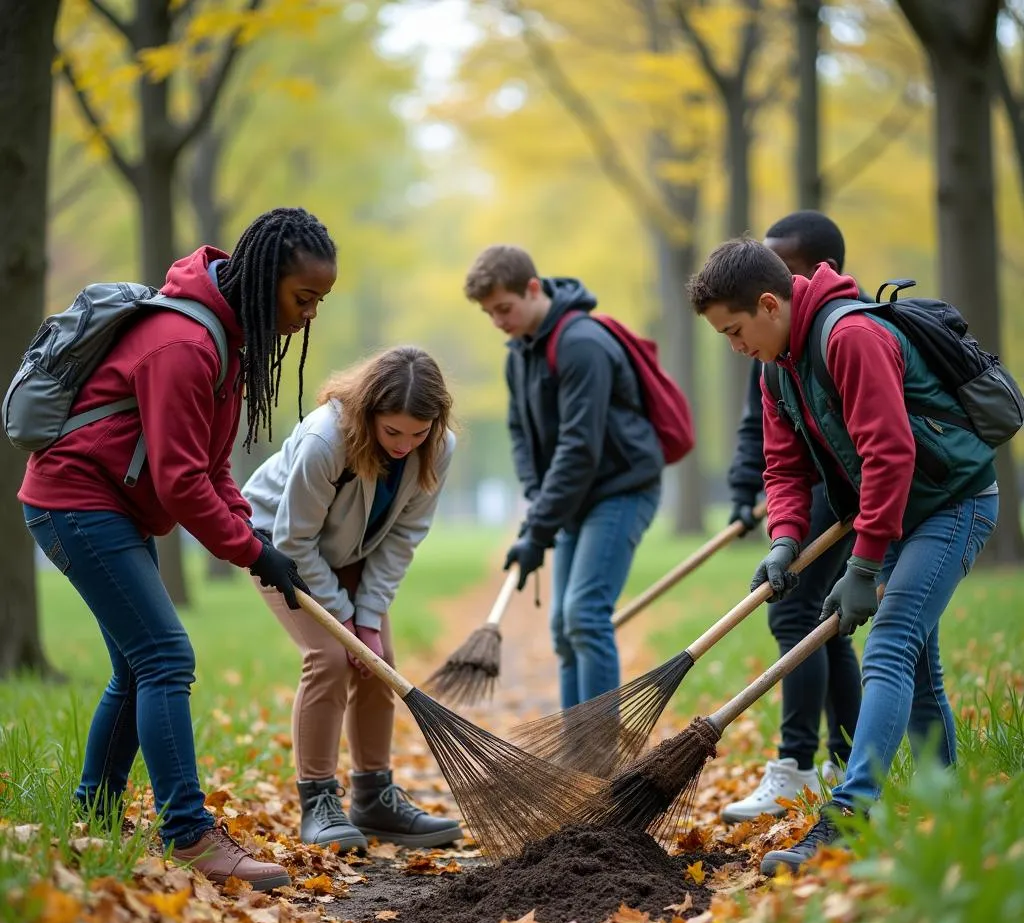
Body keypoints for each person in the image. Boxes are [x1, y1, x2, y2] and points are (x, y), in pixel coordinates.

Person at [20, 207, 337, 890]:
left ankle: (94, 814)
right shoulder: (184, 344)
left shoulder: (227, 340)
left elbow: (212, 467)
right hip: (75, 502)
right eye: (303, 298)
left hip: (109, 506)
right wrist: (248, 554)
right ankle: (189, 835)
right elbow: (178, 479)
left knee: (138, 668)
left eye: (319, 301)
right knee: (165, 657)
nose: (310, 315)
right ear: (262, 279)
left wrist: (252, 534)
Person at [688, 237, 997, 875]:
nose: (735, 345)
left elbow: (890, 456)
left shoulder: (849, 337)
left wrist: (863, 565)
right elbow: (783, 466)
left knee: (888, 645)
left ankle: (848, 819)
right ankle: (951, 812)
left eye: (735, 330)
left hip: (951, 502)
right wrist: (784, 540)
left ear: (770, 304)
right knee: (916, 668)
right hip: (900, 511)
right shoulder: (775, 365)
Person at [243, 346, 463, 850]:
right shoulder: (327, 440)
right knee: (329, 658)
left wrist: (367, 619)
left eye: (418, 432)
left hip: (352, 550)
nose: (405, 444)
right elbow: (295, 539)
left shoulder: (438, 447)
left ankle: (374, 798)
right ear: (368, 416)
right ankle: (318, 800)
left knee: (377, 660)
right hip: (277, 546)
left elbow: (403, 537)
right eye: (393, 433)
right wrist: (345, 620)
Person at [464, 245, 662, 711]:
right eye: (489, 313)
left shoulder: (582, 344)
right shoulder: (520, 353)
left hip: (621, 488)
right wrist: (536, 501)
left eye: (504, 309)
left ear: (533, 289)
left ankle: (598, 760)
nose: (498, 321)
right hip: (577, 496)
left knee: (585, 615)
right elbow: (521, 432)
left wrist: (538, 531)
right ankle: (577, 753)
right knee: (562, 624)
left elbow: (580, 447)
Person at [722, 212, 863, 823]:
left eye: (786, 270)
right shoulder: (769, 351)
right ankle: (839, 758)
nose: (773, 282)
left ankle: (802, 763)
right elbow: (768, 436)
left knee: (799, 612)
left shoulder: (842, 334)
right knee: (818, 615)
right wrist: (751, 500)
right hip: (814, 483)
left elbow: (878, 446)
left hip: (851, 485)